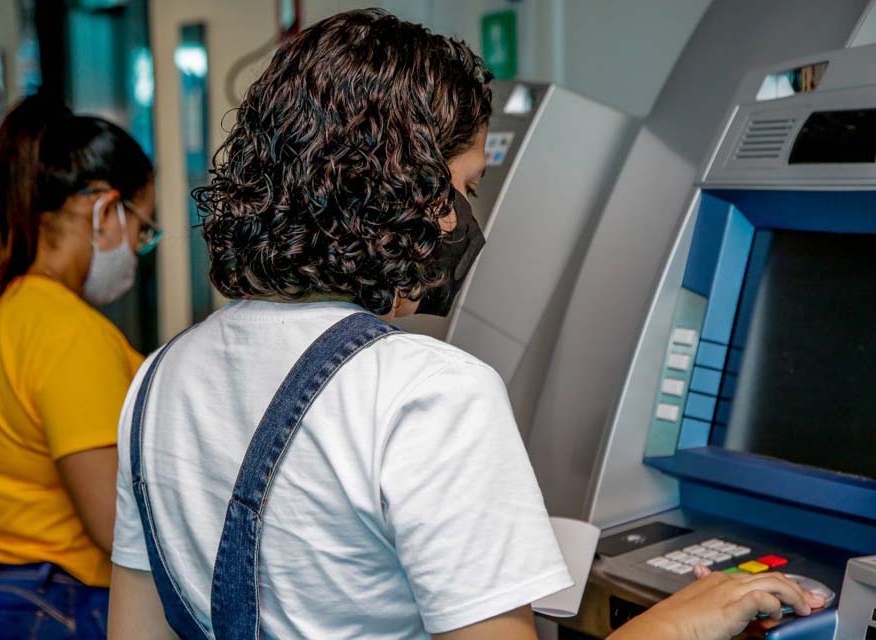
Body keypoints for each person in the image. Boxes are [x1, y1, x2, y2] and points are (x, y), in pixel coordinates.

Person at [108, 10, 822, 640]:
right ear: (401, 191)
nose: (462, 223)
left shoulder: (159, 378)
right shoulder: (427, 390)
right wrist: (679, 622)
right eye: (465, 189)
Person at [0, 93, 161, 639]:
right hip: (61, 610)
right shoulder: (68, 332)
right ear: (106, 211)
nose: (138, 247)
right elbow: (113, 524)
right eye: (143, 228)